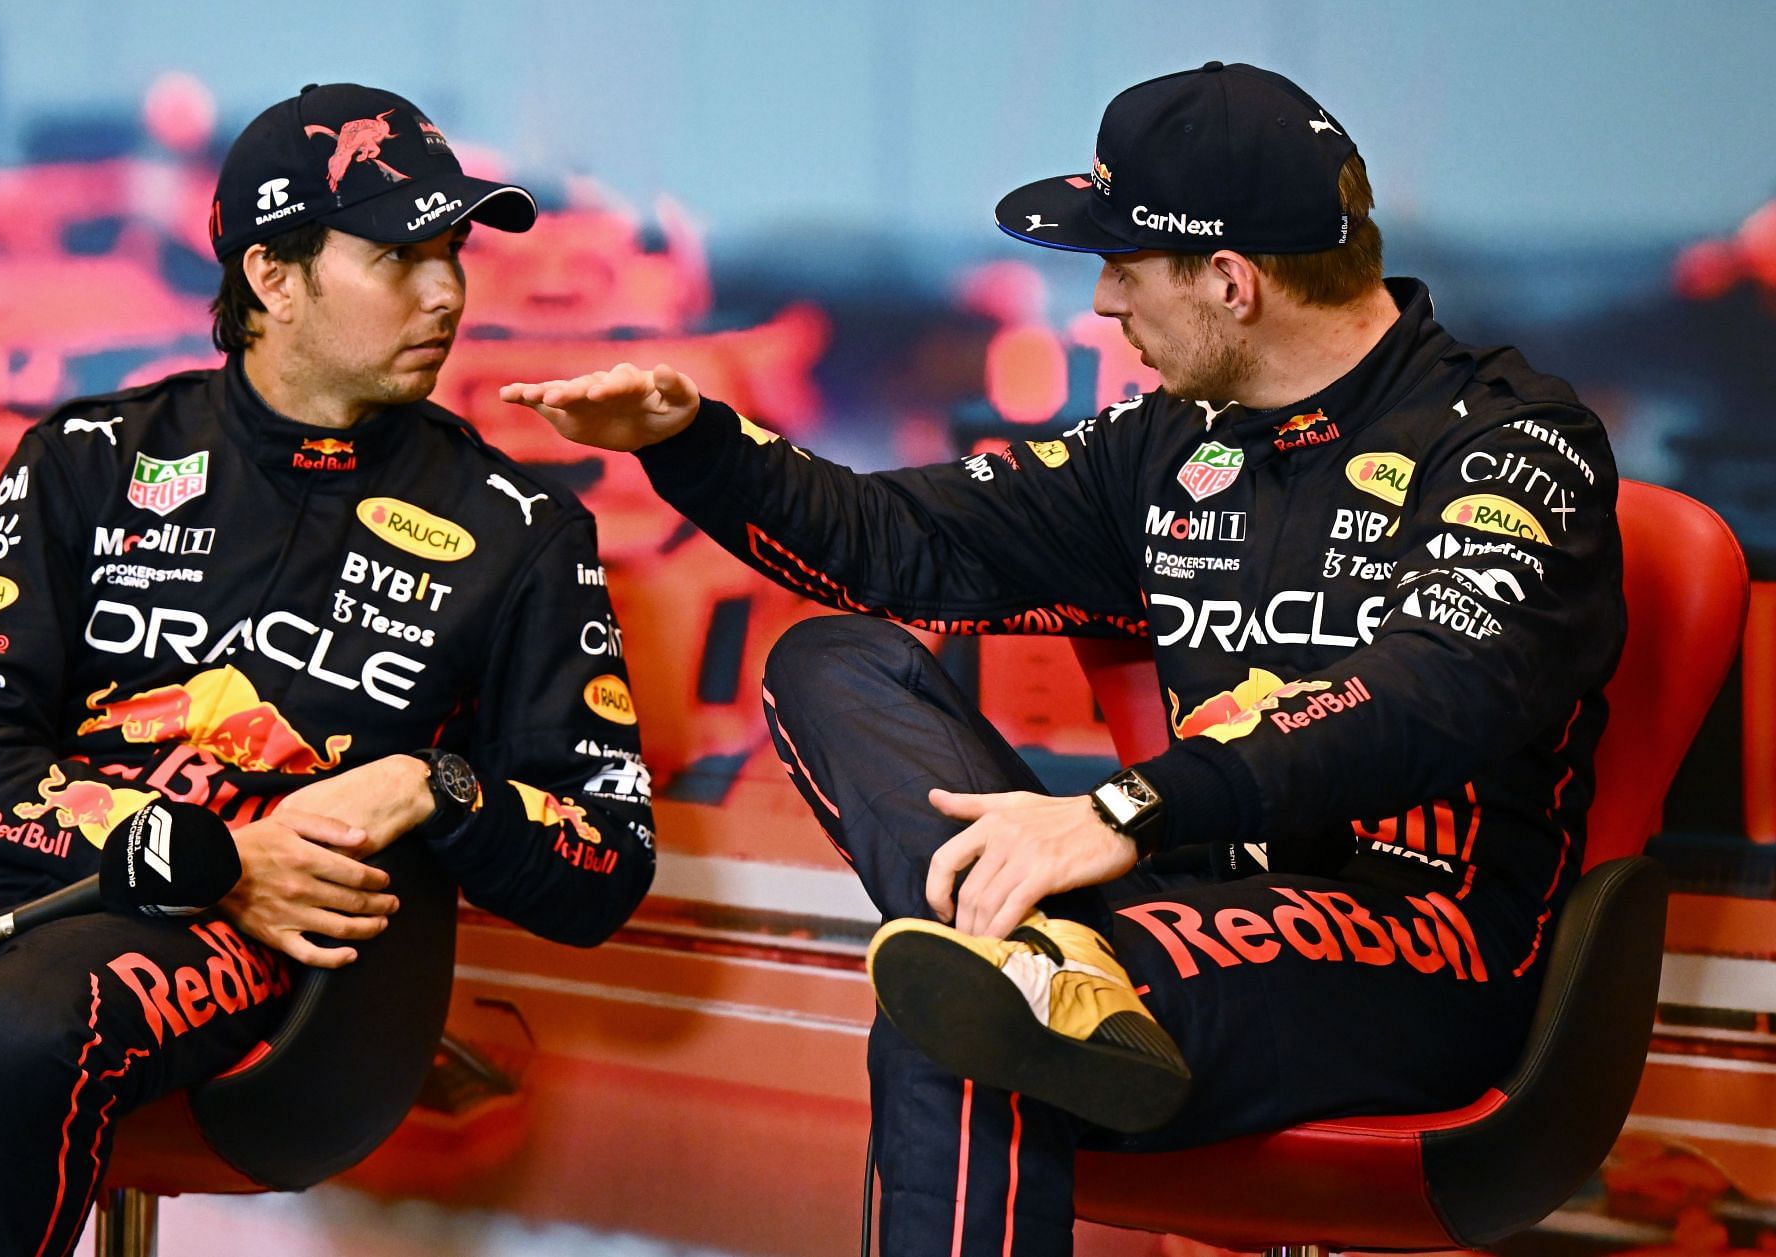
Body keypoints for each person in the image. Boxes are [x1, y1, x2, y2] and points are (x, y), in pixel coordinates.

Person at [502, 61, 1623, 1255]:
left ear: (1231, 282)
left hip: (1424, 945)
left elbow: (1429, 691)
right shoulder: (1167, 444)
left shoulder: (1515, 444)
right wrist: (695, 444)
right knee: (835, 661)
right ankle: (1039, 948)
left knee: (965, 1019)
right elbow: (897, 545)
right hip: (1184, 914)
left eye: (1124, 268)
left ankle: (1034, 962)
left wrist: (1130, 810)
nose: (1099, 306)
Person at [0, 82, 654, 1256]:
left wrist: (442, 791)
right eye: (400, 257)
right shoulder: (87, 457)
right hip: (55, 872)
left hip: (287, 949)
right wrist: (202, 855)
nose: (447, 292)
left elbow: (603, 862)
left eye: (453, 254)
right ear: (273, 278)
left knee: (21, 1029)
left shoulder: (516, 527)